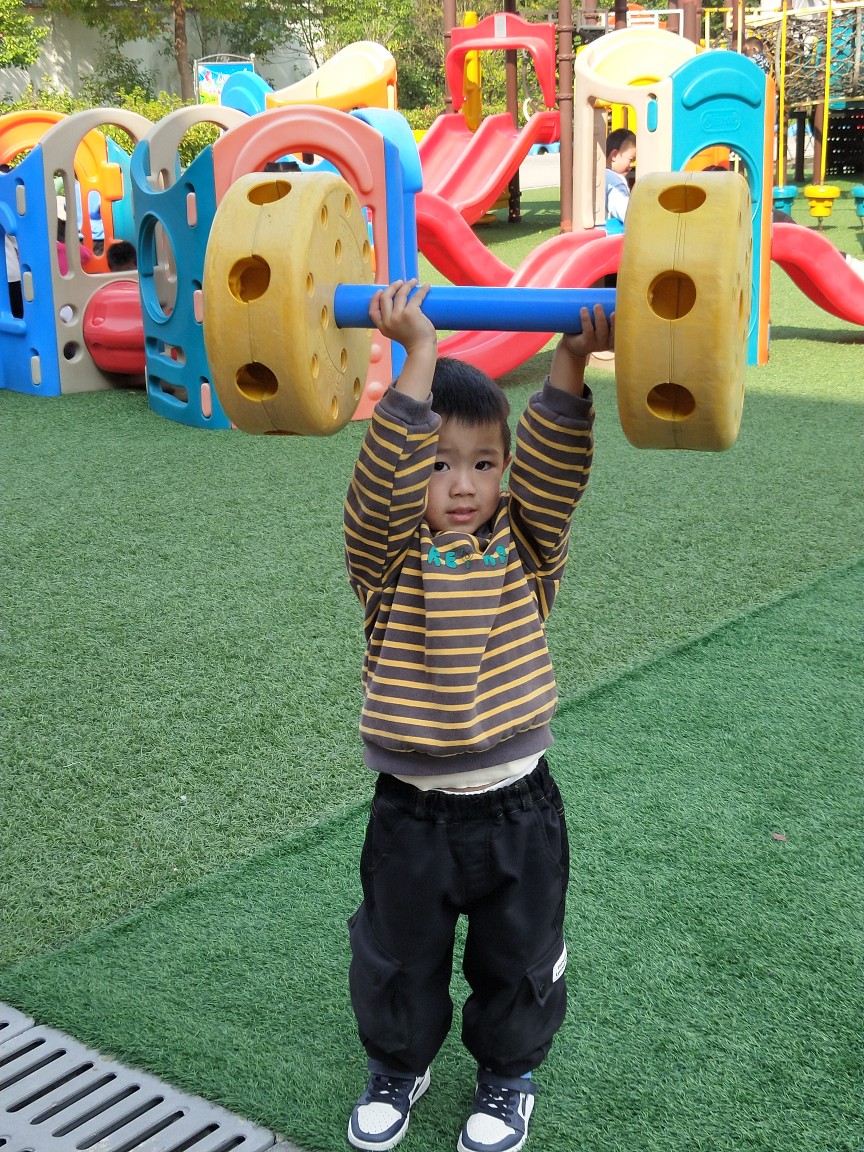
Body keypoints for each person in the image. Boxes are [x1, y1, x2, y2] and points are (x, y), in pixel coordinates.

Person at [344, 279, 612, 1152]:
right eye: (438, 464)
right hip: (410, 812)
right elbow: (377, 489)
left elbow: (554, 475)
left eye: (483, 464)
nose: (462, 485)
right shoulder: (388, 563)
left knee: (520, 958)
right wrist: (417, 353)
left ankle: (506, 1078)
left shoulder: (525, 552)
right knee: (396, 957)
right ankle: (399, 1065)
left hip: (517, 809)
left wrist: (570, 361)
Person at [605, 127, 637, 227]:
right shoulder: (614, 180)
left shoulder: (602, 175)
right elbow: (626, 212)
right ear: (614, 155)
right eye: (631, 159)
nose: (632, 165)